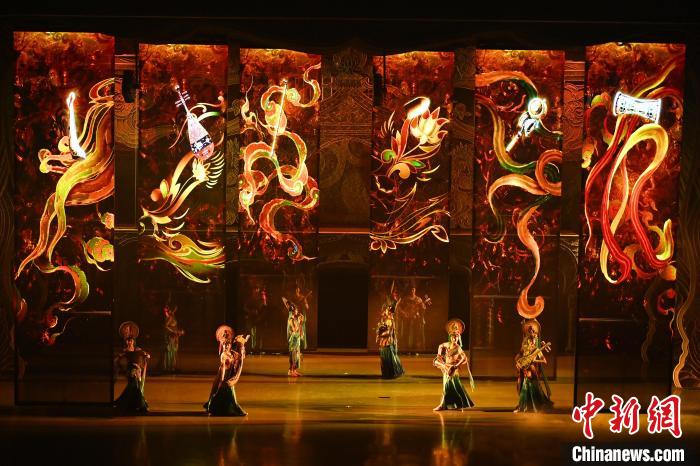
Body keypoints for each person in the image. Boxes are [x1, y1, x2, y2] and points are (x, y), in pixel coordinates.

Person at [204, 325, 249, 416]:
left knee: (224, 392)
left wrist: (241, 346)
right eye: (225, 345)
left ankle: (217, 408)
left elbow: (239, 358)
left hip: (229, 375)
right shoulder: (224, 355)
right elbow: (223, 367)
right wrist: (222, 380)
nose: (226, 346)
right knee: (227, 390)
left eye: (228, 345)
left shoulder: (231, 353)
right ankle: (234, 409)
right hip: (224, 375)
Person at [433, 318, 475, 411]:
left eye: (456, 337)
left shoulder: (458, 347)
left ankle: (442, 405)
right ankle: (459, 403)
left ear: (458, 338)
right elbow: (440, 346)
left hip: (452, 369)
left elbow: (464, 357)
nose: (454, 338)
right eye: (453, 337)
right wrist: (439, 355)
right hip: (446, 368)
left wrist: (456, 366)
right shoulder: (447, 344)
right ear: (450, 337)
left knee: (447, 386)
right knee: (454, 386)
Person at [514, 319, 553, 413]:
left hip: (531, 369)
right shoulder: (525, 343)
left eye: (533, 332)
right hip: (524, 366)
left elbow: (544, 360)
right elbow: (520, 353)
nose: (531, 334)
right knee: (520, 384)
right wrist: (517, 362)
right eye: (529, 332)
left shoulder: (536, 349)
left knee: (527, 386)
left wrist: (535, 360)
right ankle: (524, 405)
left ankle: (526, 406)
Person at [114, 321, 150, 414]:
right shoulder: (125, 350)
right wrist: (119, 364)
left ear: (134, 341)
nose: (130, 342)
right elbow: (117, 358)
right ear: (126, 341)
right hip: (130, 371)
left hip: (138, 371)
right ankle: (142, 405)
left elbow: (145, 354)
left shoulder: (137, 349)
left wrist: (146, 356)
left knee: (133, 387)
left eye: (131, 340)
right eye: (128, 341)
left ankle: (130, 404)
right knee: (134, 386)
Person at [376, 304, 404, 379]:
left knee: (388, 358)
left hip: (387, 342)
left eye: (387, 310)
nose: (385, 311)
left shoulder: (389, 320)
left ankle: (390, 373)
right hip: (385, 341)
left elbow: (389, 333)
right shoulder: (387, 320)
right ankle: (388, 373)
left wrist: (380, 334)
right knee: (386, 358)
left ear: (390, 312)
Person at [398, 286, 426, 351]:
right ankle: (405, 348)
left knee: (416, 333)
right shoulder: (406, 299)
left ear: (415, 290)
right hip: (407, 319)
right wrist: (404, 313)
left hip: (415, 319)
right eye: (411, 289)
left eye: (413, 289)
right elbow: (399, 307)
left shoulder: (419, 299)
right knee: (406, 333)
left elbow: (422, 309)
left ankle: (415, 349)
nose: (412, 291)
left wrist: (423, 308)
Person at [284, 297, 305, 377]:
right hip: (293, 340)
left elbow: (299, 328)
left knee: (297, 356)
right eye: (296, 310)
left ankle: (295, 370)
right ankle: (291, 371)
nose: (297, 311)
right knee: (293, 355)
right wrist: (299, 321)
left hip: (297, 339)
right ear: (293, 311)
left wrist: (300, 321)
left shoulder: (295, 318)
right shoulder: (291, 319)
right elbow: (294, 329)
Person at [162, 303, 184, 373]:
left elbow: (174, 326)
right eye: (174, 309)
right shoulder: (170, 317)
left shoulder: (172, 316)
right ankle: (169, 367)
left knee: (173, 351)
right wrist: (174, 332)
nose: (175, 310)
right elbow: (166, 326)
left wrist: (179, 331)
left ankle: (172, 367)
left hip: (174, 336)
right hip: (170, 336)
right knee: (170, 351)